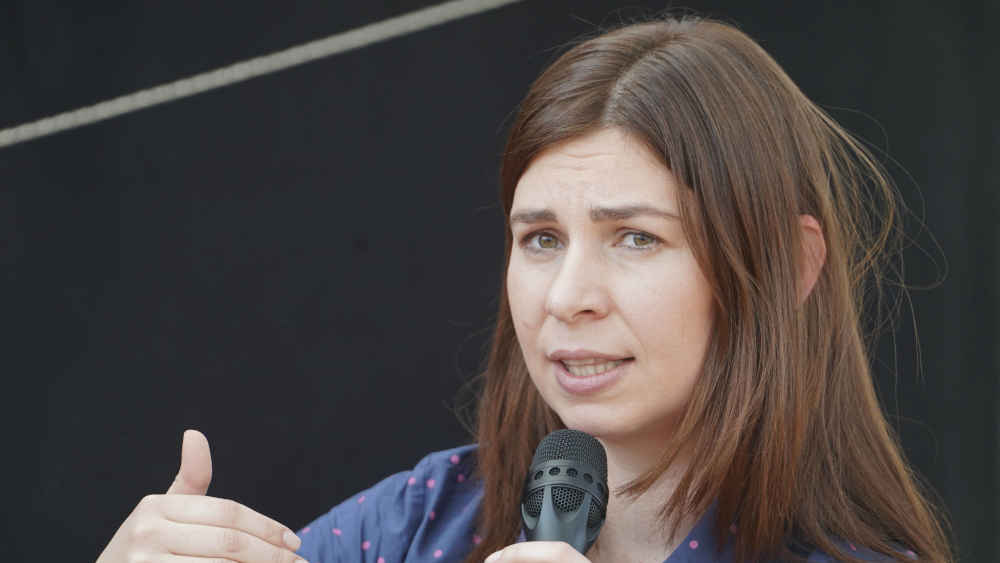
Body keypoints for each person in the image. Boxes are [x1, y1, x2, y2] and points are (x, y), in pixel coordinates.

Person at [95, 14, 956, 563]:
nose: (566, 296)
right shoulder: (415, 524)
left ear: (791, 267)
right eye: (541, 238)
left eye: (636, 237)